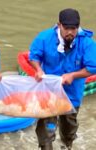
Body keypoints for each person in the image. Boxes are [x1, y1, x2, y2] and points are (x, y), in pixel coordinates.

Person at [29, 8, 96, 150]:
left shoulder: (87, 43)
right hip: (48, 93)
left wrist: (73, 75)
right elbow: (34, 56)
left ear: (78, 27)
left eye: (74, 28)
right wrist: (38, 69)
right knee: (46, 129)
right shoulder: (44, 38)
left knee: (69, 128)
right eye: (67, 28)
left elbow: (92, 67)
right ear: (59, 25)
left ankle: (67, 145)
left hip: (72, 94)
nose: (70, 32)